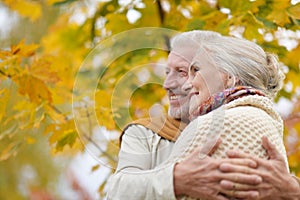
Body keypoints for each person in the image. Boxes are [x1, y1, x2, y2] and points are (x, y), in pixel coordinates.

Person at [106, 30, 300, 200]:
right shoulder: (145, 133)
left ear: (224, 74)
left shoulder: (252, 122)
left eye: (185, 71)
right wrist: (175, 179)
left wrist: (293, 190)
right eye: (167, 72)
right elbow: (117, 192)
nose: (167, 84)